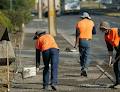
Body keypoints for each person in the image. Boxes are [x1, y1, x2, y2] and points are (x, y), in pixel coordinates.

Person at [74, 12, 96, 77]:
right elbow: (94, 32)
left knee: (82, 56)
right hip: (88, 41)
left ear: (83, 17)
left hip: (81, 41)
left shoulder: (79, 23)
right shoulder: (92, 22)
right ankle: (85, 69)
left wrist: (75, 44)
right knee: (87, 56)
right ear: (88, 17)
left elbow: (77, 35)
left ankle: (82, 69)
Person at [99, 21, 120, 89]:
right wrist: (110, 61)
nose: (103, 30)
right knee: (115, 66)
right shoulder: (106, 37)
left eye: (104, 29)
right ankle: (118, 82)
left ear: (108, 28)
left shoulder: (116, 31)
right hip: (118, 51)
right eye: (102, 29)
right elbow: (110, 50)